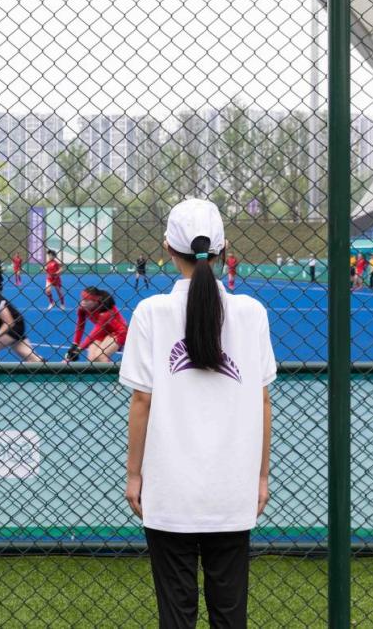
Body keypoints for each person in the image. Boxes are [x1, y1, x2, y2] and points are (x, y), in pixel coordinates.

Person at [120, 198, 275, 629]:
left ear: (168, 249)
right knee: (230, 613)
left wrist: (134, 475)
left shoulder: (150, 313)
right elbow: (263, 401)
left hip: (170, 489)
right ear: (224, 249)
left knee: (176, 613)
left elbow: (142, 402)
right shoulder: (251, 313)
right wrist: (261, 477)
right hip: (232, 487)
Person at [66, 287, 128, 363]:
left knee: (101, 356)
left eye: (86, 300)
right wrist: (75, 344)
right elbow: (80, 326)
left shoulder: (106, 311)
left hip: (119, 332)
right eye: (82, 299)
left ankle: (114, 370)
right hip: (103, 332)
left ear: (95, 301)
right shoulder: (82, 308)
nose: (82, 302)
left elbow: (95, 332)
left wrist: (79, 349)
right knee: (91, 358)